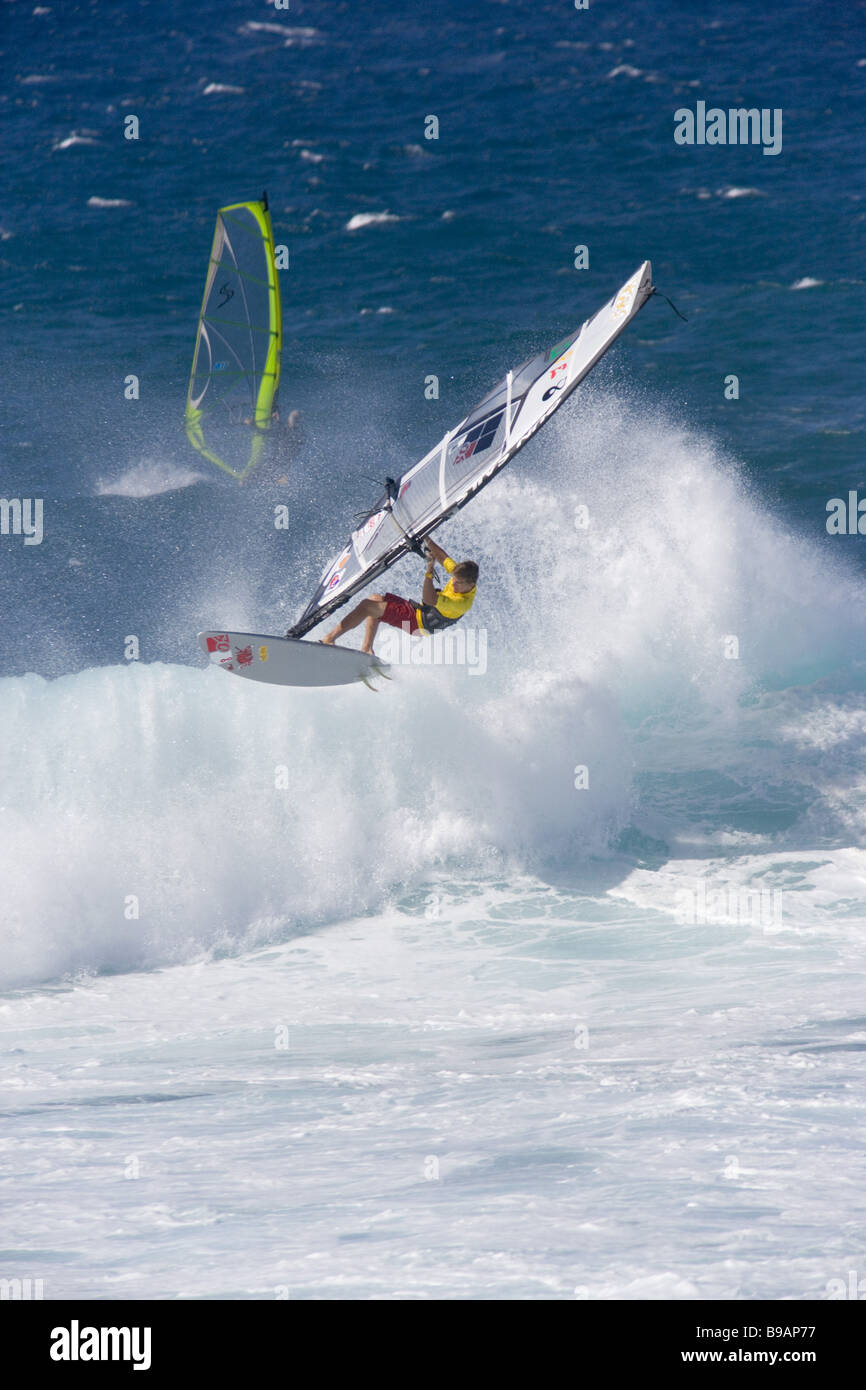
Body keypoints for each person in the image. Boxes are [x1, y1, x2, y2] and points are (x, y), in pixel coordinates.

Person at [321, 537, 478, 654]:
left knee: (367, 607)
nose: (454, 584)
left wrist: (429, 571)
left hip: (418, 625)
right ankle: (367, 649)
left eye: (458, 583)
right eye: (454, 580)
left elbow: (428, 599)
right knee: (375, 599)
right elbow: (443, 557)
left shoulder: (460, 602)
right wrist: (425, 536)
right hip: (419, 614)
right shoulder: (461, 576)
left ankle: (329, 639)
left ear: (470, 584)